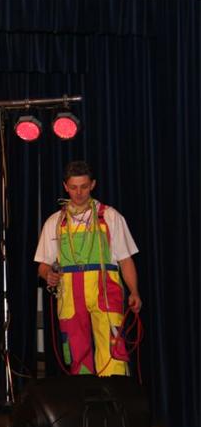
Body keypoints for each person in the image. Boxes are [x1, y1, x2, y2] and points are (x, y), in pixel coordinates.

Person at [34, 160, 141, 377]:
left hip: (106, 291)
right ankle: (83, 397)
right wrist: (48, 275)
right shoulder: (55, 222)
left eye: (84, 186)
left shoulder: (110, 216)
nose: (79, 193)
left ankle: (113, 396)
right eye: (73, 187)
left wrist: (134, 291)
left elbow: (125, 260)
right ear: (65, 186)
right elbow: (43, 266)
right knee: (76, 352)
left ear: (92, 184)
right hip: (70, 296)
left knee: (113, 348)